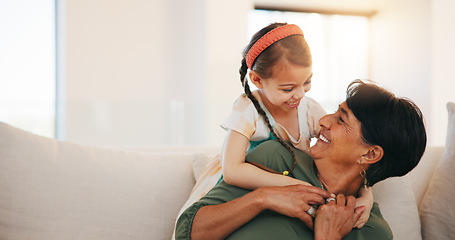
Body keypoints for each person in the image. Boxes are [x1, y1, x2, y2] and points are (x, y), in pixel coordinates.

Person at [175, 80, 427, 240]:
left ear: (370, 154)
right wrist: (262, 198)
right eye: (334, 112)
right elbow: (189, 232)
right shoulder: (276, 158)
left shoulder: (372, 231)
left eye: (341, 120)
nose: (323, 121)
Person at [218, 22, 373, 227]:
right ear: (257, 79)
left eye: (307, 82)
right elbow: (232, 171)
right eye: (288, 88)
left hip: (296, 198)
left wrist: (367, 197)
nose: (300, 95)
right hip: (250, 191)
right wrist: (293, 185)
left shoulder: (308, 109)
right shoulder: (247, 109)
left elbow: (347, 152)